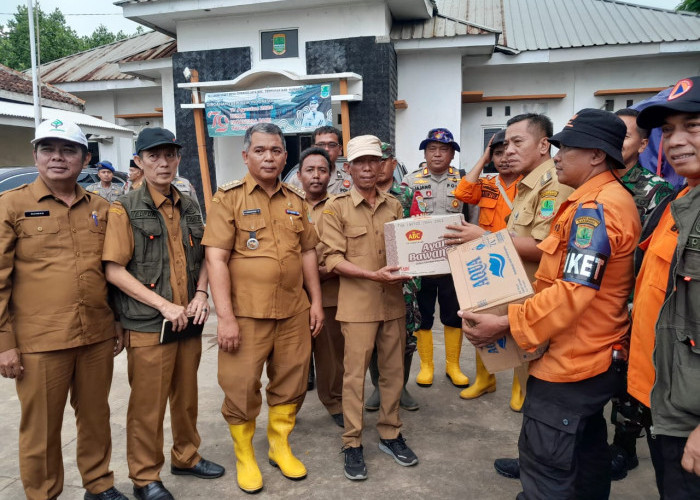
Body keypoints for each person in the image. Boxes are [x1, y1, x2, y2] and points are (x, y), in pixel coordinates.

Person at [461, 108, 640, 500]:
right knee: (585, 452)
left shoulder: (597, 210)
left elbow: (573, 291)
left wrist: (506, 322)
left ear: (596, 155)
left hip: (571, 363)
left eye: (566, 148)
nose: (556, 156)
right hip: (589, 354)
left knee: (546, 468)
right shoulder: (593, 199)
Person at [0, 118, 127, 500]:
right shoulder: (12, 205)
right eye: (48, 149)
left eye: (68, 150)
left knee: (95, 417)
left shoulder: (102, 208)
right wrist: (5, 342)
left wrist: (117, 321)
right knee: (41, 428)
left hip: (95, 334)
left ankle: (99, 484)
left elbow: (111, 271)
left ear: (85, 158)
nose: (58, 157)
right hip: (39, 340)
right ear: (35, 155)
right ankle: (42, 493)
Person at [103, 127, 224, 500]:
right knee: (147, 406)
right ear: (138, 162)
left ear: (178, 158)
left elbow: (205, 254)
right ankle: (144, 478)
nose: (163, 162)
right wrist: (163, 305)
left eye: (170, 154)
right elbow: (114, 269)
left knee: (186, 398)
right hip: (148, 323)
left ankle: (186, 456)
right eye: (153, 156)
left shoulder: (189, 204)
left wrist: (202, 293)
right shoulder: (123, 207)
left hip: (188, 319)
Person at [203, 123, 323, 494]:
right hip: (245, 315)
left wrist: (315, 301)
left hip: (292, 311)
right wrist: (224, 317)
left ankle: (278, 444)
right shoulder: (228, 199)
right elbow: (216, 259)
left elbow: (307, 253)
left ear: (285, 157)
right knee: (240, 387)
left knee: (291, 381)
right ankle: (244, 454)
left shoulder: (295, 200)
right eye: (260, 150)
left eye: (275, 150)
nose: (268, 157)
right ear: (246, 156)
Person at [445, 114, 573, 420]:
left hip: (537, 299)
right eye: (504, 146)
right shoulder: (527, 184)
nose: (509, 151)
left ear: (544, 145)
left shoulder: (554, 184)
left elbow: (546, 249)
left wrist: (483, 237)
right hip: (515, 291)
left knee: (538, 389)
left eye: (518, 142)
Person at [320, 135, 418, 481]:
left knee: (393, 374)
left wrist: (412, 267)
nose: (366, 168)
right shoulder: (336, 207)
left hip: (393, 303)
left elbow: (406, 249)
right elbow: (331, 258)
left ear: (381, 166)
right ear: (348, 169)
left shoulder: (394, 205)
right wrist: (372, 275)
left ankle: (390, 433)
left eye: (372, 162)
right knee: (354, 377)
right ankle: (352, 442)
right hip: (357, 306)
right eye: (359, 163)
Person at [627, 76, 700, 499]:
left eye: (692, 125)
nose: (675, 140)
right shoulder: (680, 203)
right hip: (665, 401)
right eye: (668, 130)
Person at [607, 107, 674, 481]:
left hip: (631, 299)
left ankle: (624, 445)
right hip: (588, 297)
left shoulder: (655, 191)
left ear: (644, 144)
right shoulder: (589, 183)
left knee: (629, 374)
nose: (615, 142)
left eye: (625, 136)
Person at [450, 129, 522, 401]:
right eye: (498, 153)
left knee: (516, 322)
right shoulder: (488, 184)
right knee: (480, 321)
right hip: (485, 260)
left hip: (517, 260)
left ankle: (520, 387)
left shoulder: (530, 185)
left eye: (508, 152)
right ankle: (485, 379)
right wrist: (483, 158)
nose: (503, 159)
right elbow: (462, 192)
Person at [402, 128, 470, 391]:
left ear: (452, 154)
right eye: (432, 149)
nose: (438, 154)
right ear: (425, 153)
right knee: (424, 315)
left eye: (444, 149)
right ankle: (426, 366)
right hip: (423, 261)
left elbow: (472, 217)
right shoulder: (410, 180)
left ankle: (453, 365)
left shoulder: (463, 181)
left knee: (454, 315)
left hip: (454, 260)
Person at [365, 141, 423, 412]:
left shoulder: (408, 195)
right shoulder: (358, 194)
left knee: (407, 336)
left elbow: (420, 234)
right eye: (370, 161)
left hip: (405, 280)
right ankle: (379, 386)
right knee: (376, 336)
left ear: (392, 163)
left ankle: (400, 386)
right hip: (372, 278)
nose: (375, 167)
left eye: (381, 160)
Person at [296, 146, 345, 428]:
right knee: (294, 359)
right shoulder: (288, 204)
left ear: (331, 174)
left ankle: (334, 402)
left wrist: (323, 272)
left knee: (332, 356)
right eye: (310, 170)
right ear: (300, 175)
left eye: (322, 170)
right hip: (293, 296)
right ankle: (288, 406)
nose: (316, 176)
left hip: (330, 292)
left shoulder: (340, 206)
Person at [287, 125, 352, 195]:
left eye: (332, 145)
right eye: (321, 144)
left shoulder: (349, 179)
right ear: (313, 148)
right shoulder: (297, 180)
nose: (326, 149)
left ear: (340, 149)